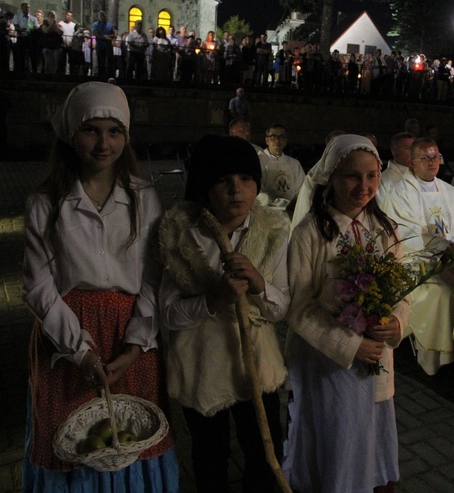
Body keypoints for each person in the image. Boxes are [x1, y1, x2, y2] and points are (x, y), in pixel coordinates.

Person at [22, 82, 177, 490]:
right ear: (71, 133)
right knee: (72, 437)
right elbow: (38, 286)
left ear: (126, 137)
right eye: (91, 130)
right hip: (68, 339)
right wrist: (79, 350)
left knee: (132, 435)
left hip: (130, 337)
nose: (103, 143)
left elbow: (153, 277)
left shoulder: (144, 198)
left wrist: (136, 343)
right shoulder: (46, 203)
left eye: (115, 131)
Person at [159, 134, 289, 492]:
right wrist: (213, 299)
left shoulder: (273, 231)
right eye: (223, 181)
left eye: (246, 179)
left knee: (265, 449)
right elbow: (168, 314)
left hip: (255, 366)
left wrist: (260, 284)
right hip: (203, 367)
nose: (237, 190)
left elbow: (281, 307)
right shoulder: (181, 237)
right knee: (210, 455)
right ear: (204, 186)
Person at [285, 134, 409, 492]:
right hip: (327, 363)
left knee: (368, 432)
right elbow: (300, 307)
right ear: (331, 177)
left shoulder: (386, 231)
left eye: (371, 176)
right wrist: (349, 345)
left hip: (376, 355)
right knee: (335, 434)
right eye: (352, 176)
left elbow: (401, 292)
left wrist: (396, 322)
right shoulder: (310, 234)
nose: (363, 186)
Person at [383, 137, 454, 375]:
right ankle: (434, 358)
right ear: (412, 162)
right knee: (440, 293)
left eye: (436, 157)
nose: (433, 162)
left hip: (453, 258)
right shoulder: (400, 192)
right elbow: (405, 233)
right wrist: (444, 247)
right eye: (426, 158)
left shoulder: (448, 190)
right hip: (416, 261)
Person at [258, 124, 305, 206]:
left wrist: (296, 205)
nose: (277, 140)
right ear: (267, 140)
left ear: (286, 141)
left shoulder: (294, 163)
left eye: (281, 137)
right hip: (267, 210)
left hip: (291, 210)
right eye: (273, 136)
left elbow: (302, 189)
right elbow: (257, 190)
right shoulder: (258, 161)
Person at [378, 132, 415, 196]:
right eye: (407, 148)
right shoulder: (383, 181)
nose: (413, 152)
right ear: (394, 151)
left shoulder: (423, 174)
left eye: (414, 148)